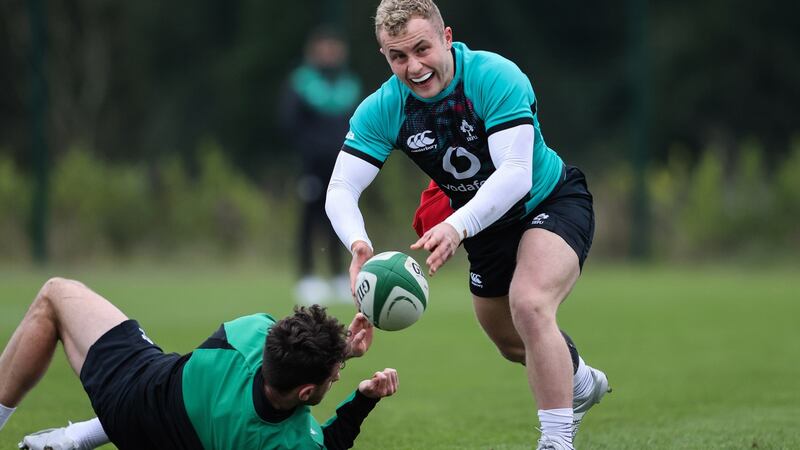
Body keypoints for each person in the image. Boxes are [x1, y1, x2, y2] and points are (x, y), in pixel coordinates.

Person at [325, 1, 608, 448]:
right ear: (385, 56)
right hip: (484, 228)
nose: (414, 66)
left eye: (422, 49)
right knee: (513, 343)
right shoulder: (385, 108)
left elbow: (516, 173)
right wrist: (358, 244)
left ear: (447, 38)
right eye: (398, 56)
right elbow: (341, 187)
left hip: (547, 200)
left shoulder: (494, 77)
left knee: (530, 304)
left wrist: (457, 225)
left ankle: (555, 441)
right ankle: (579, 379)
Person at [0, 277, 398, 450]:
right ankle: (82, 437)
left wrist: (341, 349)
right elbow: (329, 444)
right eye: (335, 377)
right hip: (147, 426)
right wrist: (362, 399)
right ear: (306, 392)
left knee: (56, 294)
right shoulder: (283, 442)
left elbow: (290, 336)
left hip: (133, 386)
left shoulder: (249, 333)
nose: (338, 377)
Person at [280, 26, 363, 305]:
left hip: (341, 164)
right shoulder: (301, 84)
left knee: (340, 217)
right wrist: (309, 154)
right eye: (324, 48)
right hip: (311, 166)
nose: (330, 54)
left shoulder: (348, 85)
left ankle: (340, 274)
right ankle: (307, 275)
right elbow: (290, 124)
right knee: (309, 218)